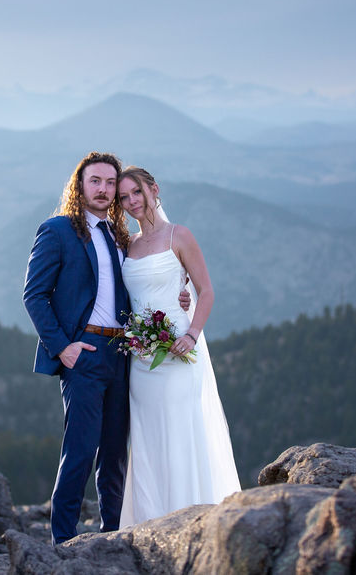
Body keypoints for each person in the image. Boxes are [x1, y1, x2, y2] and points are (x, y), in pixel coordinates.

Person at [22, 152, 190, 544]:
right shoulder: (58, 230)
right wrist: (63, 348)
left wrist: (178, 297)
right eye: (95, 181)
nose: (104, 189)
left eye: (110, 183)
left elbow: (141, 287)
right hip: (84, 351)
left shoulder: (119, 237)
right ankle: (62, 541)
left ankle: (110, 536)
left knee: (115, 454)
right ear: (79, 186)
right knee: (80, 450)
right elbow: (34, 295)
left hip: (124, 353)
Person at [116, 166, 241, 527]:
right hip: (142, 359)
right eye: (123, 198)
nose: (131, 202)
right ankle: (150, 525)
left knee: (179, 434)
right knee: (147, 439)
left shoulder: (179, 236)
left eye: (136, 192)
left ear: (153, 189)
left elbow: (206, 291)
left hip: (180, 353)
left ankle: (190, 522)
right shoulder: (129, 244)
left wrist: (191, 334)